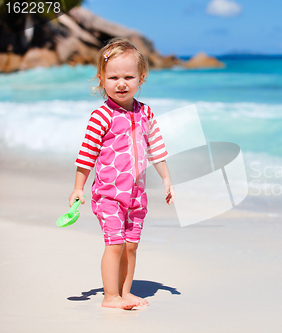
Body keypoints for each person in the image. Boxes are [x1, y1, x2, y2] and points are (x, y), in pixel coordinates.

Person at [68, 37, 175, 310]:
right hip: (109, 194)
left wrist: (166, 178)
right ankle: (110, 296)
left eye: (129, 76)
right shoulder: (101, 117)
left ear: (142, 78)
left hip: (137, 195)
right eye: (113, 77)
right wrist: (78, 187)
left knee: (131, 246)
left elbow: (157, 148)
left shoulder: (145, 113)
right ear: (102, 78)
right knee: (114, 244)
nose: (121, 83)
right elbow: (86, 155)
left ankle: (125, 292)